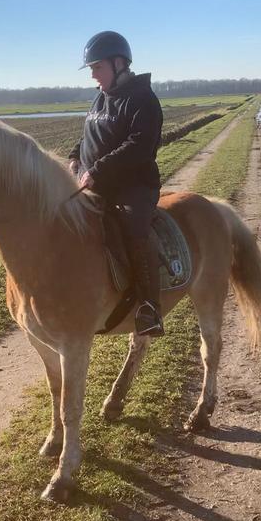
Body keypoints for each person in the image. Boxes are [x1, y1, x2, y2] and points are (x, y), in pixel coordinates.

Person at [68, 30, 164, 336]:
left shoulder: (143, 99)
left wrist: (97, 169)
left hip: (133, 186)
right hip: (98, 183)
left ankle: (150, 307)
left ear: (118, 63)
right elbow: (88, 137)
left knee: (134, 229)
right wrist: (74, 158)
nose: (93, 75)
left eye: (98, 67)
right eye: (92, 68)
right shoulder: (100, 98)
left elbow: (140, 145)